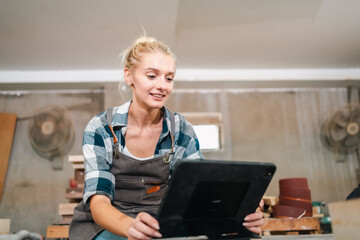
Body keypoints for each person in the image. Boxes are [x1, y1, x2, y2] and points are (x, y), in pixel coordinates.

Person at [69, 36, 264, 240]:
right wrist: (129, 227)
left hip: (160, 224)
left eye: (169, 78)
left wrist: (241, 212)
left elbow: (199, 195)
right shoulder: (101, 128)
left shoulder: (181, 130)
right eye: (152, 76)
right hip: (109, 224)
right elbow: (99, 203)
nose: (162, 85)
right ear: (129, 76)